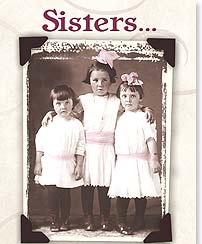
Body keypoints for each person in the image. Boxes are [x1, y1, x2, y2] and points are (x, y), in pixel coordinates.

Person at [42, 50, 154, 232]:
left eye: (104, 80)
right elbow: (66, 110)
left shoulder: (117, 100)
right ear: (89, 81)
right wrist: (52, 113)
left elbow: (133, 105)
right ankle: (88, 218)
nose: (100, 84)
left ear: (111, 81)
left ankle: (104, 217)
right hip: (88, 149)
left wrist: (147, 108)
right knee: (87, 185)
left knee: (105, 185)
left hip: (107, 149)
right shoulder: (84, 100)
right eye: (95, 80)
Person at [108, 72, 161, 235]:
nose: (128, 99)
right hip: (123, 162)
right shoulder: (118, 117)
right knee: (123, 193)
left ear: (140, 98)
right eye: (124, 95)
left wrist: (154, 158)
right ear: (120, 99)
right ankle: (121, 221)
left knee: (140, 193)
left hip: (140, 160)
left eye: (132, 95)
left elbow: (150, 138)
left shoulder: (144, 116)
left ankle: (139, 219)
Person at [34, 84, 85, 232]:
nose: (63, 107)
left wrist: (79, 165)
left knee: (65, 193)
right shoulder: (48, 122)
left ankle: (65, 219)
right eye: (58, 103)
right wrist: (38, 163)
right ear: (53, 105)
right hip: (50, 163)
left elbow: (81, 147)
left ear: (73, 104)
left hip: (68, 163)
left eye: (67, 103)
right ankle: (54, 219)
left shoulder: (77, 125)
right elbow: (40, 144)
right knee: (52, 193)